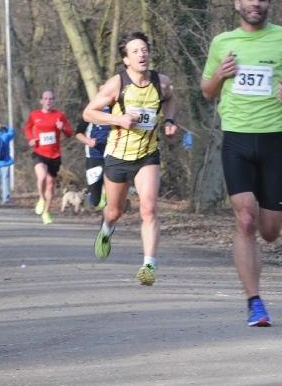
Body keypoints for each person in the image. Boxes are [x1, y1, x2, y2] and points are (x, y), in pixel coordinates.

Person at [200, 0, 282, 326]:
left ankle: (256, 290)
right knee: (245, 219)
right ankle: (254, 302)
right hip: (236, 139)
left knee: (270, 230)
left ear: (268, 3)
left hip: (274, 140)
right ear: (237, 3)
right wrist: (219, 75)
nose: (255, 4)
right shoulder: (222, 42)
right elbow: (206, 89)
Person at [83, 31, 177, 286]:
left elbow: (170, 99)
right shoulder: (116, 84)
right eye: (135, 51)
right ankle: (106, 229)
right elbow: (88, 113)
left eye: (144, 49)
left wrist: (168, 121)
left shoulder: (162, 83)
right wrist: (117, 119)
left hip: (147, 156)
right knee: (115, 212)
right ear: (126, 60)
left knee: (149, 209)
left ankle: (149, 265)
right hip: (116, 157)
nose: (142, 54)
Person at [24, 91, 73, 224]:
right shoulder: (34, 115)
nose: (48, 101)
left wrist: (62, 127)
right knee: (42, 177)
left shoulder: (59, 115)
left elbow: (69, 133)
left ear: (54, 101)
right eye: (45, 99)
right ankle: (41, 198)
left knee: (50, 186)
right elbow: (27, 129)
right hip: (39, 152)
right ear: (41, 101)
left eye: (51, 99)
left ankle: (46, 212)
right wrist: (31, 139)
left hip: (54, 155)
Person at [74, 84, 111, 209]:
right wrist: (88, 141)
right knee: (94, 200)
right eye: (102, 92)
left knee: (111, 183)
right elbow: (78, 133)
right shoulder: (90, 110)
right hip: (94, 155)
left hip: (112, 153)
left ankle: (109, 207)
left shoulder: (116, 109)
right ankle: (92, 198)